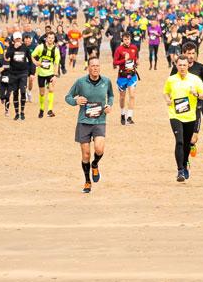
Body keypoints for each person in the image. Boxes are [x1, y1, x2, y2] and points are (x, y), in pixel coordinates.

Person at [65, 57, 114, 193]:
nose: (95, 68)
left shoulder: (106, 81)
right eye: (92, 66)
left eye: (97, 66)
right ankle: (87, 181)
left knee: (99, 149)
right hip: (84, 122)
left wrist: (109, 105)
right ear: (88, 68)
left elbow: (111, 96)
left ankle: (95, 164)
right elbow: (68, 97)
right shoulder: (80, 82)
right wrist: (76, 101)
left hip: (99, 120)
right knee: (85, 154)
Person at [163, 53, 203, 183]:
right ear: (176, 66)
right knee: (179, 141)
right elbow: (165, 92)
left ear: (188, 65)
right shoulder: (171, 79)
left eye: (184, 65)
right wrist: (167, 100)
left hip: (190, 116)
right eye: (180, 65)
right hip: (175, 115)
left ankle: (185, 162)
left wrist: (197, 93)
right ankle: (180, 170)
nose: (182, 67)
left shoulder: (195, 79)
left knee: (187, 144)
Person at [113, 36, 140, 124]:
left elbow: (136, 58)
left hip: (132, 75)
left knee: (132, 95)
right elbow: (115, 62)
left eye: (128, 39)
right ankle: (122, 114)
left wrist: (136, 62)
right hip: (122, 76)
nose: (127, 41)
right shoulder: (119, 49)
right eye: (125, 39)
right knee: (122, 97)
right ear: (122, 40)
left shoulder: (134, 48)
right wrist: (123, 60)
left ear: (130, 39)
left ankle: (129, 117)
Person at [33, 34, 61, 118]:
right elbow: (32, 55)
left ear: (54, 39)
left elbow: (56, 64)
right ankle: (41, 109)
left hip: (50, 73)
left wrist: (55, 75)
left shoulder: (56, 50)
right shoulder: (40, 47)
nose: (50, 39)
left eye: (52, 38)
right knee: (42, 93)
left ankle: (50, 110)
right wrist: (36, 62)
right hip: (41, 73)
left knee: (51, 90)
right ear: (46, 39)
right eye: (49, 38)